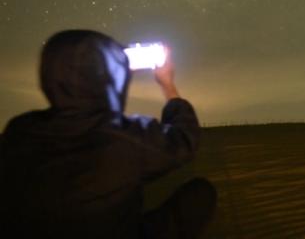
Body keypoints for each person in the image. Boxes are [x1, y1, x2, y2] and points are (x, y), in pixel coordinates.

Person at [0, 30, 216, 238]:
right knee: (200, 195)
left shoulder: (19, 131)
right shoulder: (127, 138)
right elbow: (184, 138)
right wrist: (167, 84)